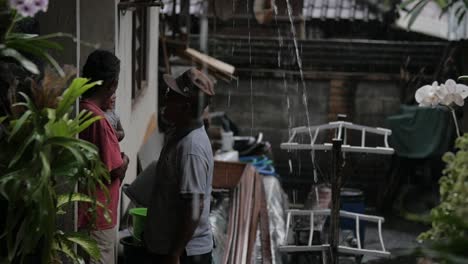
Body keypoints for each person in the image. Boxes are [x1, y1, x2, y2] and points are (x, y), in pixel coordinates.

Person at [144, 68, 215, 264]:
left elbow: (194, 206)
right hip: (168, 248)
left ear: (185, 107)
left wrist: (175, 253)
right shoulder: (178, 132)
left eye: (171, 96)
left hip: (185, 254)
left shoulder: (192, 148)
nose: (165, 99)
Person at [79, 50, 129, 264]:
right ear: (112, 85)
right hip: (98, 217)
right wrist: (125, 159)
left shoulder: (80, 109)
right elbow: (116, 169)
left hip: (85, 213)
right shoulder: (98, 120)